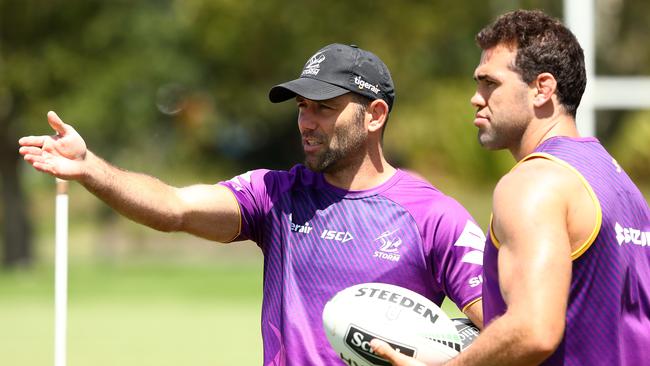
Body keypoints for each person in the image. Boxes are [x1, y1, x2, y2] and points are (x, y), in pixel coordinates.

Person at [19, 43, 486, 365]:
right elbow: (175, 208)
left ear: (375, 115)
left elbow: (510, 326)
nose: (306, 121)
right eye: (301, 106)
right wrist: (91, 168)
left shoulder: (433, 217)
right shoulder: (276, 195)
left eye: (323, 107)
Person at [371, 9, 650, 366]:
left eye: (490, 83)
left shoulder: (532, 183)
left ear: (541, 89)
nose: (476, 97)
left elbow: (533, 330)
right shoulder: (618, 182)